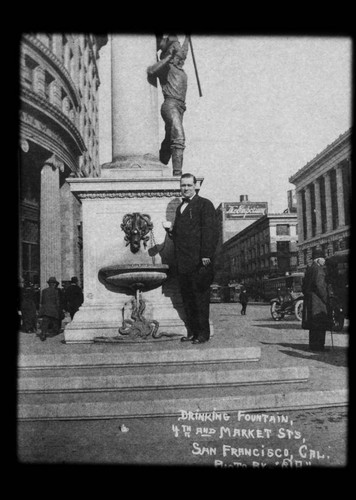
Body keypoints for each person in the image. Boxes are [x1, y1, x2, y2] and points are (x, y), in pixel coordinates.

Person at [165, 173, 219, 344]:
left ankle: (203, 334)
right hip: (183, 263)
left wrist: (206, 255)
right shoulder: (181, 207)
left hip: (198, 262)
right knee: (187, 299)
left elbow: (210, 231)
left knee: (200, 299)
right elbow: (181, 236)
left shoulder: (205, 204)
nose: (186, 189)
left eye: (189, 185)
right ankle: (192, 332)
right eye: (183, 186)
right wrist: (170, 231)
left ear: (196, 186)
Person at [147, 34, 189, 176]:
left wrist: (187, 39)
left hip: (180, 107)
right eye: (177, 54)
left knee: (168, 140)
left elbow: (184, 51)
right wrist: (168, 57)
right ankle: (177, 174)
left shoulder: (179, 69)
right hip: (170, 104)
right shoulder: (166, 67)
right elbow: (151, 70)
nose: (180, 57)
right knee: (178, 137)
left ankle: (161, 164)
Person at [301, 248, 330, 351]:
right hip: (318, 302)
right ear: (318, 260)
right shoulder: (319, 270)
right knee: (320, 324)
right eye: (323, 259)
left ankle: (313, 345)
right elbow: (320, 286)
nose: (324, 261)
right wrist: (326, 299)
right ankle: (319, 347)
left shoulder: (309, 269)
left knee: (313, 326)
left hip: (310, 301)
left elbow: (303, 286)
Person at [38, 276, 60, 341]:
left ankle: (43, 334)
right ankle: (54, 332)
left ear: (49, 284)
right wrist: (58, 309)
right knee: (55, 321)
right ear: (54, 284)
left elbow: (42, 301)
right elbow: (57, 301)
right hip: (53, 309)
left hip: (45, 309)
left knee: (45, 322)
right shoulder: (56, 291)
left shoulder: (44, 291)